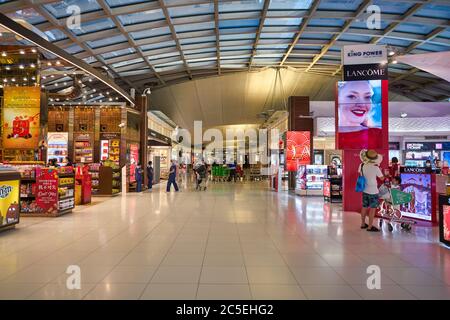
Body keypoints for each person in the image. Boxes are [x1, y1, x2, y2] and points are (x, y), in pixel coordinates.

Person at [338, 81, 382, 149]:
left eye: (367, 97)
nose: (361, 104)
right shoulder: (331, 137)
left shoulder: (378, 135)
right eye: (352, 96)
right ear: (338, 99)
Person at [358, 149, 384, 232]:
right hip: (373, 191)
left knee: (364, 207)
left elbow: (360, 175)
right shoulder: (376, 168)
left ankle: (362, 224)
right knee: (373, 208)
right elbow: (382, 178)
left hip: (364, 189)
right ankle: (369, 226)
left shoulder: (361, 165)